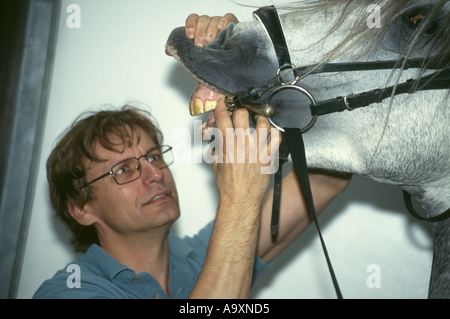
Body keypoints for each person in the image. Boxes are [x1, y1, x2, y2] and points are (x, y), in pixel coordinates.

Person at [33, 14, 350, 299]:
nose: (155, 174)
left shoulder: (197, 257)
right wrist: (240, 197)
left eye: (154, 157)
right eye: (124, 169)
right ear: (81, 208)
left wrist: (249, 71)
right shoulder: (69, 291)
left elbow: (327, 178)